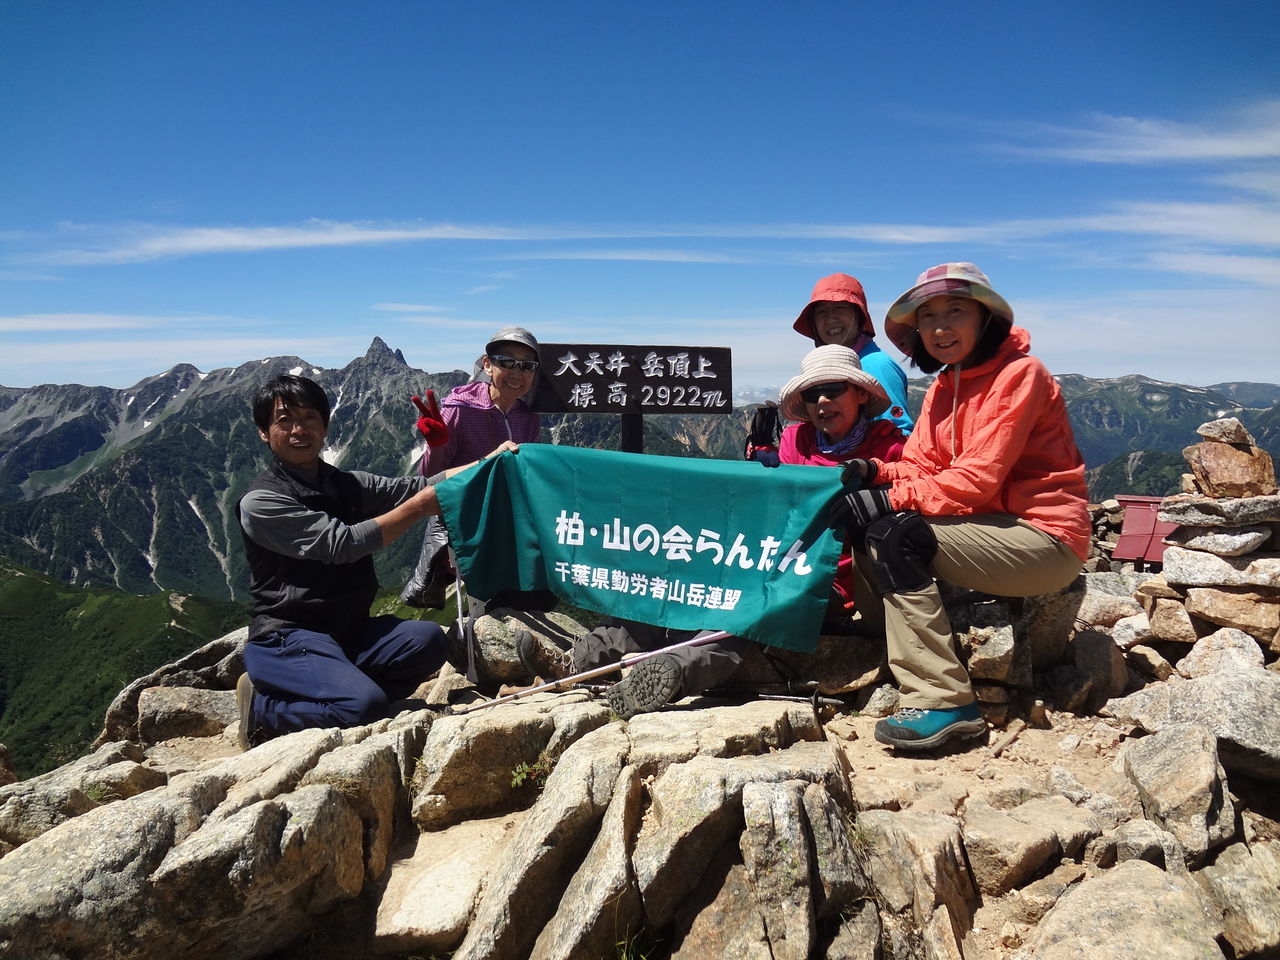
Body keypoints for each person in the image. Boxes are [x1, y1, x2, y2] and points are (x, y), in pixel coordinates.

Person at [827, 263, 1089, 752]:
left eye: (955, 312)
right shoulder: (946, 385)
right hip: (994, 528)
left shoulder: (1020, 375)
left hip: (1045, 539)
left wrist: (887, 497)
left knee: (894, 533)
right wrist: (875, 473)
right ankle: (891, 653)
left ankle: (946, 702)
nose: (940, 328)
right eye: (927, 317)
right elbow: (921, 465)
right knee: (870, 525)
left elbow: (975, 481)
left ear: (985, 319)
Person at [236, 374, 518, 749]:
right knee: (363, 708)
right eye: (284, 421)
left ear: (325, 425)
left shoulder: (344, 484)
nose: (298, 429)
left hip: (348, 631)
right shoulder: (262, 502)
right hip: (290, 634)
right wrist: (417, 510)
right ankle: (264, 710)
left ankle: (338, 688)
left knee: (429, 641)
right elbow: (345, 543)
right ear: (263, 432)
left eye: (309, 418)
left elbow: (417, 486)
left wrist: (488, 462)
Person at [400, 325, 545, 608]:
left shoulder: (528, 416)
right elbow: (429, 480)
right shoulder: (460, 409)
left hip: (506, 523)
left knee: (536, 595)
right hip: (463, 524)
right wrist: (437, 446)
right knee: (491, 604)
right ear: (488, 365)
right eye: (507, 363)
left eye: (527, 366)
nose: (517, 373)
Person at [776, 344, 908, 625]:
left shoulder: (891, 447)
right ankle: (682, 661)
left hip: (851, 583)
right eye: (812, 394)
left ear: (860, 394)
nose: (822, 401)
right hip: (793, 569)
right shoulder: (795, 440)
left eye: (833, 389)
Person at [792, 272, 914, 435]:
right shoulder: (821, 365)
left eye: (840, 308)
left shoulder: (876, 365)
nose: (830, 318)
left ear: (858, 316)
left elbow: (899, 435)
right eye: (821, 312)